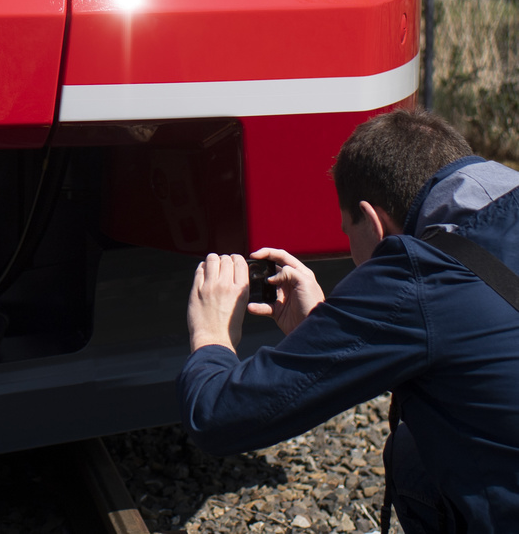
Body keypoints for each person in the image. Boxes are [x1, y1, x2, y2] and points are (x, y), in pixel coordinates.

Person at [181, 109, 519, 533]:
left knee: (411, 459)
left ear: (374, 222)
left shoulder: (419, 277)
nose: (355, 256)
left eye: (347, 233)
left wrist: (211, 332)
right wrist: (329, 324)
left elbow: (215, 417)